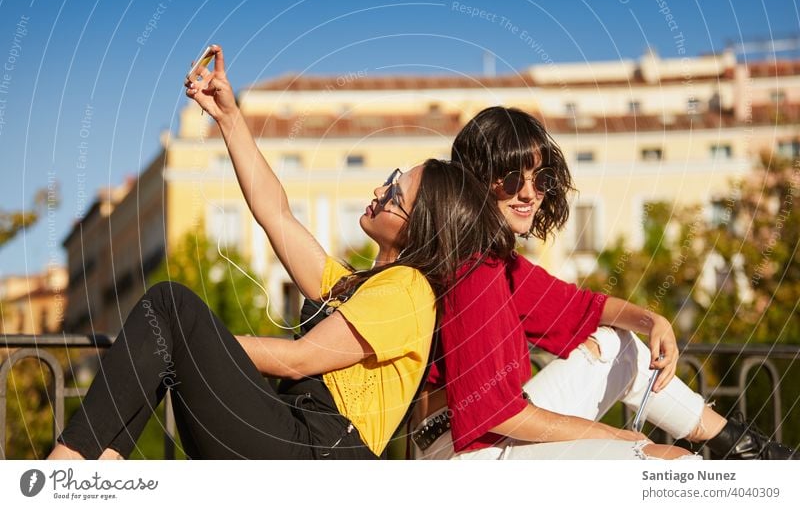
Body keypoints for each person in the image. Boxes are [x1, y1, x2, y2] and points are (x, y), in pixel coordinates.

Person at [47, 46, 512, 460]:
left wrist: (198, 346)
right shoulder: (358, 285)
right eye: (390, 177)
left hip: (322, 456)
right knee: (167, 321)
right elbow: (276, 213)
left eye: (394, 192)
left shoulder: (408, 290)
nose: (378, 188)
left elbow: (300, 360)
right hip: (297, 437)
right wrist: (229, 118)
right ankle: (99, 465)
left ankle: (69, 464)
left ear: (420, 226)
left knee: (171, 309)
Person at [410, 106, 797, 460]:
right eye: (511, 179)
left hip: (486, 436)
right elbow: (493, 412)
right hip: (462, 454)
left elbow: (584, 307)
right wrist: (611, 436)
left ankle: (746, 448)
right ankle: (756, 465)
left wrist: (653, 322)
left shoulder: (497, 263)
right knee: (669, 464)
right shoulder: (470, 271)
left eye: (540, 178)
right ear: (476, 182)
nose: (529, 193)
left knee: (616, 343)